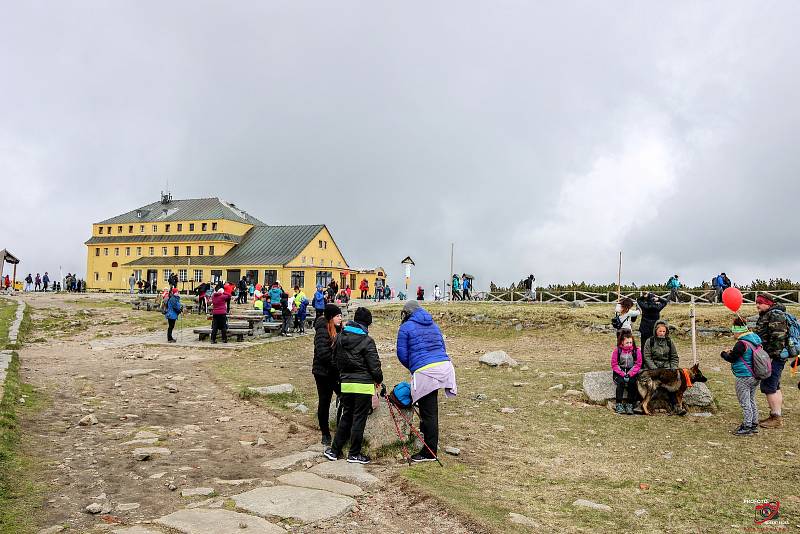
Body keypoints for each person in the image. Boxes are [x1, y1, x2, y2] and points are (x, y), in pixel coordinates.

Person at [396, 300, 457, 461]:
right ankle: (425, 439)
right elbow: (442, 347)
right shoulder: (434, 325)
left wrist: (414, 367)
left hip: (425, 370)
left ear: (407, 313)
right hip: (444, 367)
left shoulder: (405, 327)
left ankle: (429, 451)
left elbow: (402, 354)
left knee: (429, 411)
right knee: (427, 405)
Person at [324, 307, 382, 465]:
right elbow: (375, 366)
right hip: (363, 386)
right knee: (359, 419)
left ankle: (335, 451)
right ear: (366, 324)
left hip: (346, 384)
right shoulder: (367, 341)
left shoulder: (340, 337)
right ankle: (354, 453)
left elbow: (334, 361)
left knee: (346, 416)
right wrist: (379, 379)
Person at [720, 318, 763, 435]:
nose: (733, 334)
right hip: (756, 375)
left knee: (745, 402)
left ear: (737, 330)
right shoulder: (755, 340)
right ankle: (754, 423)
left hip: (743, 376)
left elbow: (732, 358)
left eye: (733, 331)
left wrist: (724, 354)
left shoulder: (741, 343)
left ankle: (747, 426)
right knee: (751, 399)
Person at [755, 295, 789, 429]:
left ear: (768, 303)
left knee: (769, 386)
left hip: (774, 357)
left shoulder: (775, 314)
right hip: (773, 356)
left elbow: (778, 337)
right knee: (775, 385)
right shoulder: (767, 314)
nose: (757, 305)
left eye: (760, 303)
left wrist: (770, 356)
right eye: (756, 303)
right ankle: (775, 414)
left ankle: (776, 418)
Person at [314, 303, 343, 445]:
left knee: (344, 397)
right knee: (324, 402)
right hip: (323, 373)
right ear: (331, 317)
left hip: (335, 372)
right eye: (338, 316)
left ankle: (341, 429)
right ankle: (325, 433)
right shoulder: (322, 330)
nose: (340, 318)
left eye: (341, 315)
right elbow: (323, 354)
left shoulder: (339, 329)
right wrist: (338, 364)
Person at [642, 320, 683, 415]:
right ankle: (641, 405)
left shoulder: (669, 342)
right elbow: (647, 356)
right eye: (660, 331)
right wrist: (654, 369)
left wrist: (673, 367)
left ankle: (676, 406)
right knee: (647, 384)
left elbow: (674, 357)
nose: (662, 333)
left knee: (673, 385)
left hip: (666, 368)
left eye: (664, 331)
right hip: (653, 368)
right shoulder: (650, 341)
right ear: (655, 331)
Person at [611, 330, 642, 415]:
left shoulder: (636, 351)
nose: (629, 344)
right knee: (620, 383)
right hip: (619, 371)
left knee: (632, 383)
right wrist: (622, 374)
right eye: (627, 343)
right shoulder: (617, 351)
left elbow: (638, 364)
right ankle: (619, 404)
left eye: (630, 342)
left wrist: (630, 374)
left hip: (631, 371)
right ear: (622, 342)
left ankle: (630, 404)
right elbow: (614, 364)